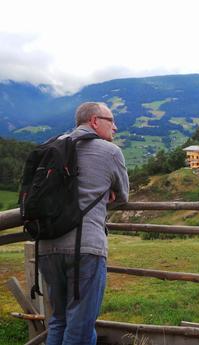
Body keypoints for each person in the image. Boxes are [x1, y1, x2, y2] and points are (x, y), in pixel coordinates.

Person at [38, 102, 129, 345]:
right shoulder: (110, 152)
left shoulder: (52, 146)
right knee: (79, 326)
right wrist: (108, 190)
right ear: (95, 121)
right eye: (111, 121)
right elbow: (123, 196)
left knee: (58, 320)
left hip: (46, 245)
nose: (116, 128)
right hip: (85, 246)